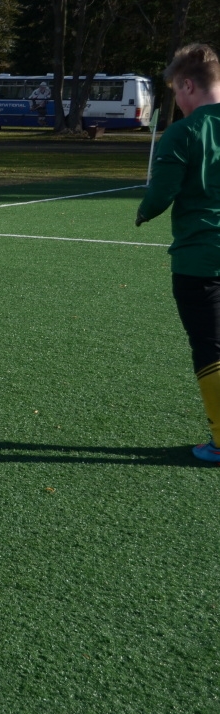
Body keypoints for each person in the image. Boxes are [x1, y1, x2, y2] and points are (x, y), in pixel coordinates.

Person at [136, 44, 220, 464]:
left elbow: (161, 195)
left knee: (210, 347)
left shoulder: (184, 131)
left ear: (188, 84)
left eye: (176, 91)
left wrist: (144, 211)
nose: (177, 100)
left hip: (200, 259)